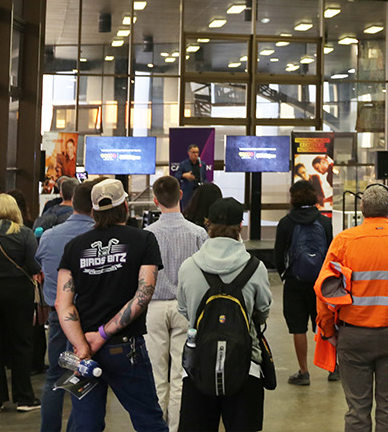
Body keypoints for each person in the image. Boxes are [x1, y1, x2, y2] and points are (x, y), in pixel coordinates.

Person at [55, 178, 169, 432]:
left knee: (86, 425)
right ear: (125, 206)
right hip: (124, 348)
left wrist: (83, 345)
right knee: (148, 420)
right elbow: (143, 294)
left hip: (83, 351)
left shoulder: (74, 246)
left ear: (93, 211)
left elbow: (63, 303)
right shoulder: (143, 240)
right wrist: (103, 334)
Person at [316, 184, 388, 432]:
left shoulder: (343, 241)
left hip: (353, 336)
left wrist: (328, 331)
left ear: (362, 210)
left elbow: (325, 294)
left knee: (357, 410)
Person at [176, 197, 273, 432]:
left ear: (207, 224)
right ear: (240, 225)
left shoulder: (189, 266)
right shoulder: (255, 267)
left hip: (198, 365)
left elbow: (184, 309)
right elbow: (263, 310)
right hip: (245, 365)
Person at [35, 176, 101, 431]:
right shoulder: (100, 237)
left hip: (57, 317)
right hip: (92, 320)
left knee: (54, 377)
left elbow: (39, 266)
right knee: (88, 377)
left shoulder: (49, 236)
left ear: (72, 202)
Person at [143, 175, 208, 432]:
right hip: (185, 308)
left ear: (155, 201)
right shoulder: (198, 233)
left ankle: (157, 427)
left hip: (154, 309)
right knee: (181, 375)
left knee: (157, 376)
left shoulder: (147, 235)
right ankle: (177, 428)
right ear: (181, 195)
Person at [273, 180, 334, 385]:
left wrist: (285, 275)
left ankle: (304, 371)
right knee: (325, 324)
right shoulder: (324, 221)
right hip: (320, 283)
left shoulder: (286, 223)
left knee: (298, 328)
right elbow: (331, 253)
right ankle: (333, 368)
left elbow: (278, 255)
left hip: (294, 282)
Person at [0, 193, 41, 414]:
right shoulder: (25, 234)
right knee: (21, 344)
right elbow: (33, 266)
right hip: (19, 294)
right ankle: (24, 398)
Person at [173, 144, 206, 213]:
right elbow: (176, 176)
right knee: (187, 212)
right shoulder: (183, 164)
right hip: (188, 193)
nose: (195, 154)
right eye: (193, 152)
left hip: (199, 192)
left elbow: (204, 177)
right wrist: (184, 175)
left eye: (197, 152)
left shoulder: (202, 164)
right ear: (189, 153)